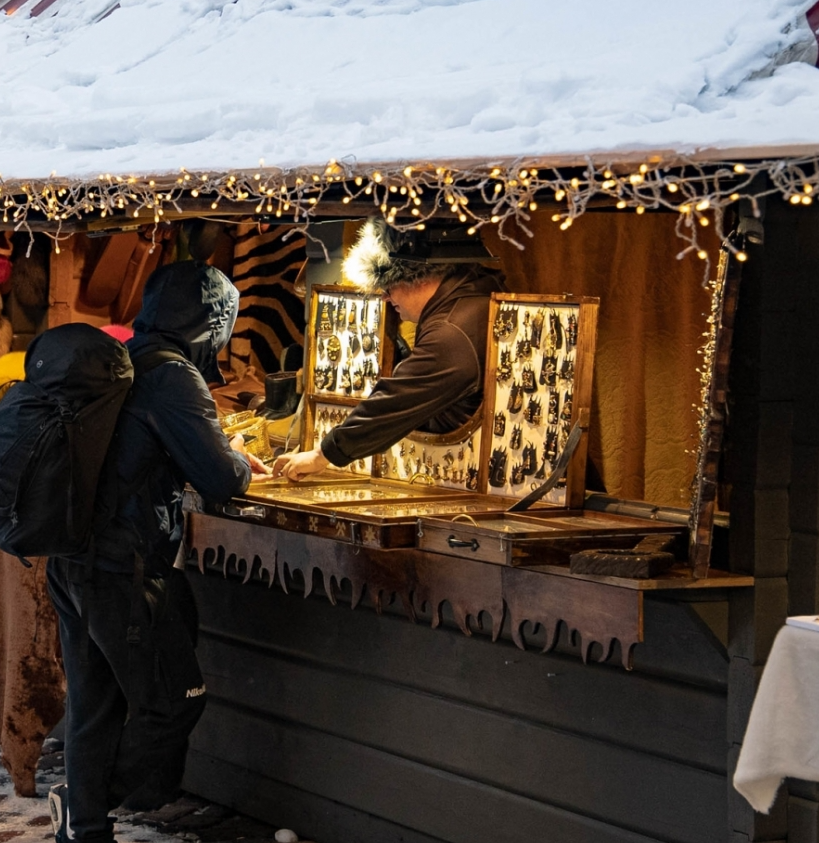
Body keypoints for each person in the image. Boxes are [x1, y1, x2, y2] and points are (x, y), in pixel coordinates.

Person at [45, 260, 267, 843]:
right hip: (125, 566)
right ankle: (89, 800)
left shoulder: (120, 360)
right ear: (212, 322)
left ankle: (85, 828)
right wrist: (240, 458)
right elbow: (221, 478)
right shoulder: (172, 377)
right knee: (176, 699)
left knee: (94, 704)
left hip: (71, 560)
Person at [273, 220, 504, 481]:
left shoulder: (450, 334)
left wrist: (322, 454)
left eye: (389, 285)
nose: (384, 297)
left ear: (418, 277)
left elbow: (396, 400)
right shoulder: (474, 296)